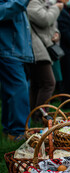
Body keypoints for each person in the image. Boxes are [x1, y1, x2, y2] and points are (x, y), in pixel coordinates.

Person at [0, 0, 33, 141]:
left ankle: (10, 130)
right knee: (19, 89)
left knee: (10, 92)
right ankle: (19, 132)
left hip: (14, 50)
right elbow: (6, 10)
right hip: (8, 49)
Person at [27, 0, 62, 119]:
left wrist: (56, 33)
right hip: (37, 49)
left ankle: (35, 116)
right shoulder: (32, 2)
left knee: (37, 84)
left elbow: (49, 25)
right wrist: (56, 8)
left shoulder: (41, 3)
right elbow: (44, 20)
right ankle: (40, 115)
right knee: (48, 83)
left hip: (39, 48)